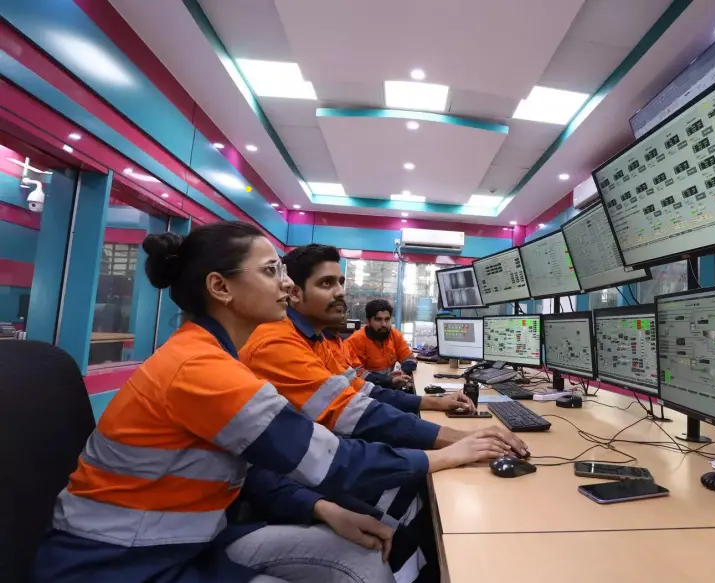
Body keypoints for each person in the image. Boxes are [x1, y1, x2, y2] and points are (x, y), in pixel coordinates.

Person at [32, 222, 514, 583]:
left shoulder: (217, 356)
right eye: (271, 272)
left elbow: (251, 467)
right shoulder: (202, 370)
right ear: (220, 287)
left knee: (363, 556)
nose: (286, 284)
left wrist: (322, 509)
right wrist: (448, 453)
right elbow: (331, 460)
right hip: (119, 566)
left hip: (187, 541)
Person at [238, 244, 527, 582]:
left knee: (416, 494)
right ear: (295, 293)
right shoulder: (276, 342)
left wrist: (433, 406)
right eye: (326, 284)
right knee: (408, 516)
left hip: (317, 460)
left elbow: (362, 391)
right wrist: (457, 443)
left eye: (341, 282)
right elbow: (354, 414)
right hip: (295, 476)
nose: (341, 293)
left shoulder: (315, 339)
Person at [346, 299, 416, 389]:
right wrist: (388, 380)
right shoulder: (355, 341)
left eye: (387, 319)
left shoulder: (395, 335)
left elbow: (411, 359)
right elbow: (357, 375)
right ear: (368, 322)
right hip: (365, 392)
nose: (384, 324)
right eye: (378, 319)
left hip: (388, 387)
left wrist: (403, 372)